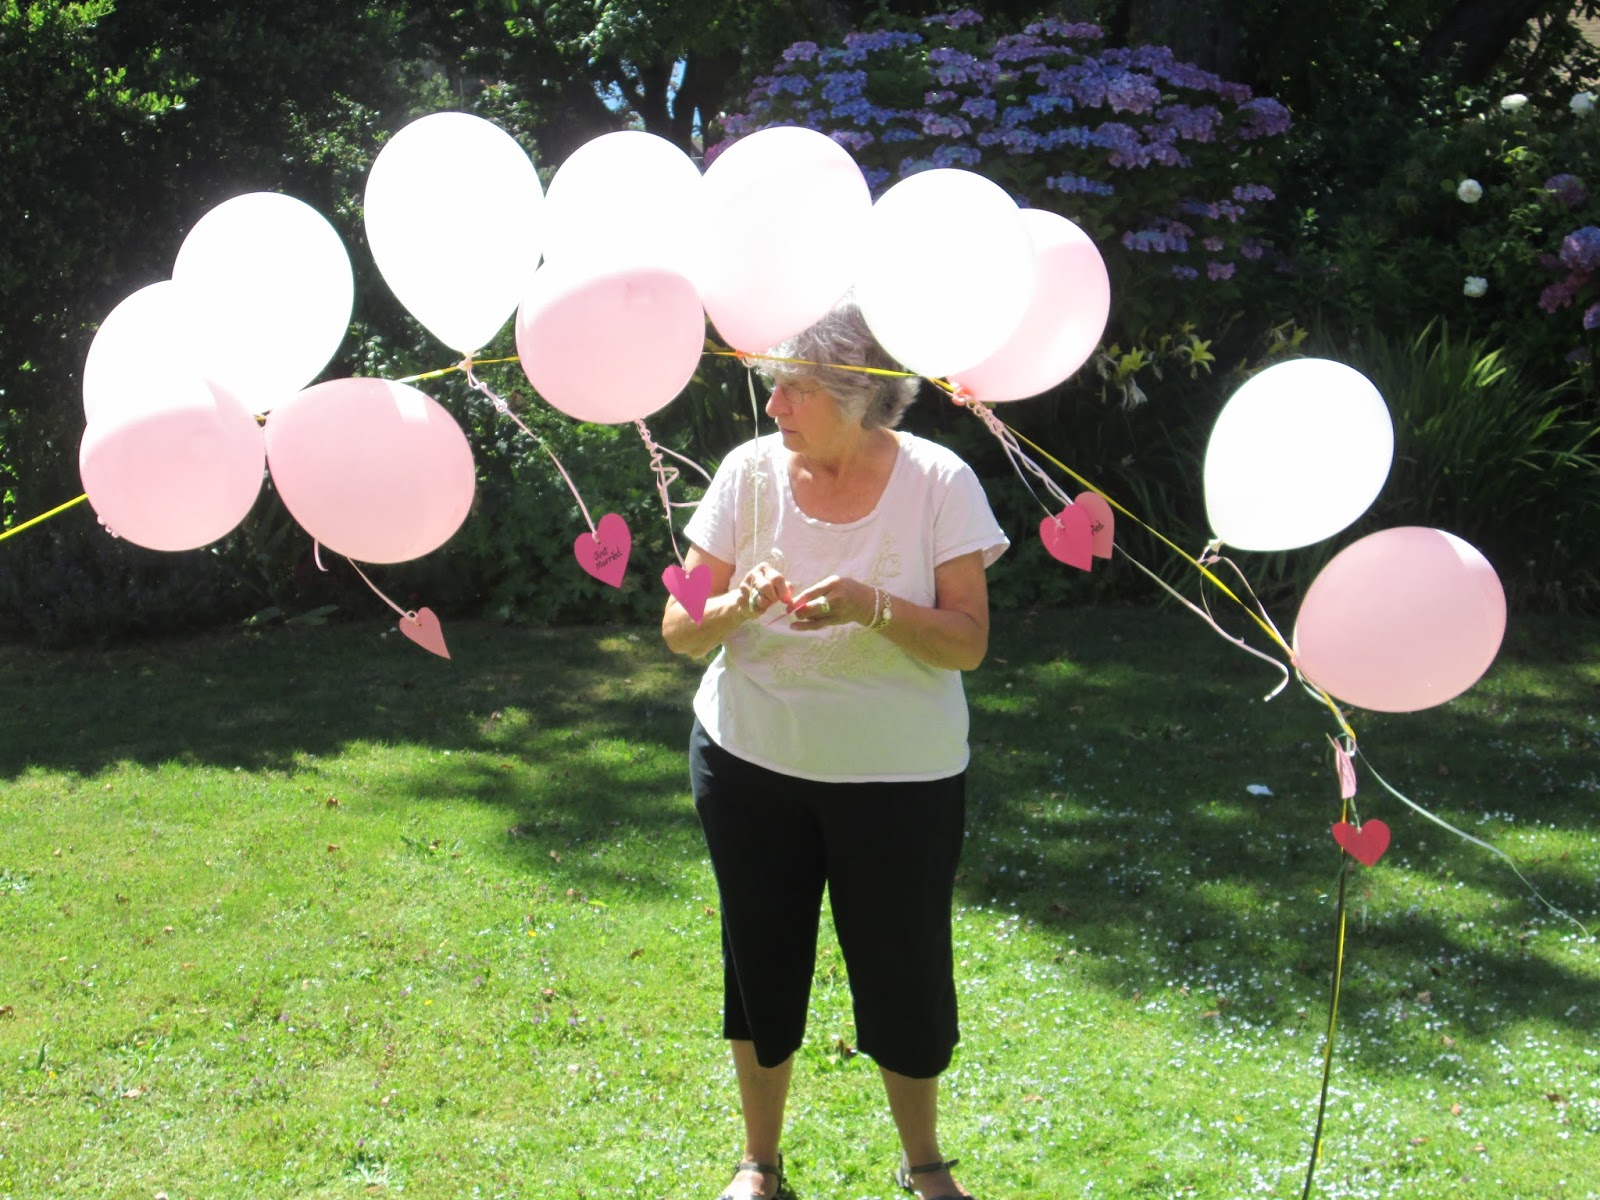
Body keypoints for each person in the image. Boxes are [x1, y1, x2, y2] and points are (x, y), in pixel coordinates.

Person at [661, 298, 1009, 1200]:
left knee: (904, 969)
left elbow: (968, 642)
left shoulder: (939, 481)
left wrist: (871, 606)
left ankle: (926, 1165)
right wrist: (736, 605)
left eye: (793, 390)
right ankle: (758, 1163)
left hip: (900, 777)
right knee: (759, 962)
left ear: (855, 395)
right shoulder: (746, 473)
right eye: (772, 386)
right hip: (750, 763)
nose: (772, 406)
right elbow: (679, 625)